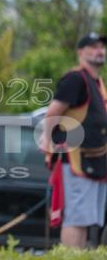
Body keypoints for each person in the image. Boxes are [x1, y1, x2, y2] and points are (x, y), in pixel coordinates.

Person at [41, 32, 107, 248]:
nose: (99, 51)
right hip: (76, 160)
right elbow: (53, 113)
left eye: (101, 46)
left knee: (86, 220)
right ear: (80, 52)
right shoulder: (76, 79)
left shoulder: (97, 82)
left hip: (95, 161)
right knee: (76, 219)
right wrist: (47, 142)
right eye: (93, 46)